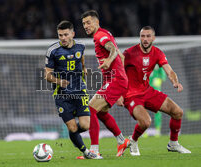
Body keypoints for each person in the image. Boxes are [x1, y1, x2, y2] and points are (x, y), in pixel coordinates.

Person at [121, 26, 191, 156]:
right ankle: (134, 140)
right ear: (140, 37)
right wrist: (119, 94)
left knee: (177, 112)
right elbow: (118, 72)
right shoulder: (129, 53)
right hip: (131, 95)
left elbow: (169, 71)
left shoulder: (157, 53)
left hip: (147, 91)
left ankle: (173, 144)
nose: (145, 39)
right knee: (146, 122)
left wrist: (175, 81)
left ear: (153, 38)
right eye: (143, 36)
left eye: (148, 36)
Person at [80, 10, 130, 158]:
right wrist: (121, 87)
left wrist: (109, 61)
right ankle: (121, 140)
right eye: (83, 24)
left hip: (115, 80)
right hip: (114, 80)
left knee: (91, 109)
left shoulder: (99, 36)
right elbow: (121, 56)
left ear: (96, 22)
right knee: (101, 112)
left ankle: (94, 150)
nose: (86, 26)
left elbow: (113, 50)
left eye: (88, 22)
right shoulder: (105, 33)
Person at [44, 20, 97, 159]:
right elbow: (47, 75)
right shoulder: (53, 51)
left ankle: (73, 135)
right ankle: (85, 152)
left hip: (80, 91)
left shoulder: (81, 46)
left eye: (65, 34)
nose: (62, 38)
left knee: (85, 126)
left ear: (72, 34)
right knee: (73, 127)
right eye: (60, 35)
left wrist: (84, 69)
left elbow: (81, 58)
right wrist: (59, 81)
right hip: (62, 95)